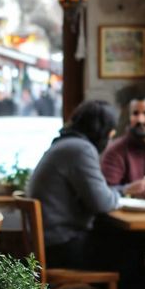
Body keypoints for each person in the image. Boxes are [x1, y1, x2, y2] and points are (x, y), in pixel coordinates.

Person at [26, 101, 120, 268]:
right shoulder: (81, 149)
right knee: (138, 250)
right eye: (111, 136)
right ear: (102, 132)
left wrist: (124, 190)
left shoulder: (65, 144)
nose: (110, 143)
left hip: (51, 243)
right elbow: (102, 203)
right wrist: (121, 194)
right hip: (62, 246)